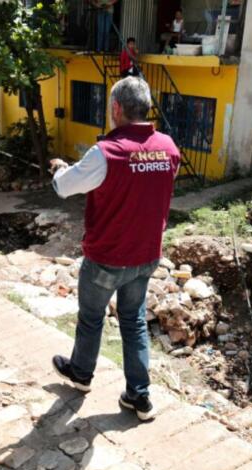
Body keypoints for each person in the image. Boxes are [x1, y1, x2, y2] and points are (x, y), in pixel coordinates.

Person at [48, 77, 180, 421]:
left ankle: (81, 373)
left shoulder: (106, 152)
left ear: (116, 108)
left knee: (91, 319)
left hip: (107, 257)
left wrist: (61, 168)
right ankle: (139, 396)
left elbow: (64, 187)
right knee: (133, 320)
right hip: (146, 256)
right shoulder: (168, 148)